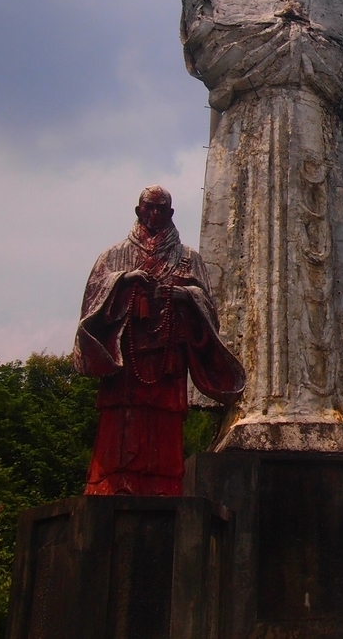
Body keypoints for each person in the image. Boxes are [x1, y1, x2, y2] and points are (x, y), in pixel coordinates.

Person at [180, 0, 343, 449]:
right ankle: (249, 407)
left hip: (325, 156)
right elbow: (218, 61)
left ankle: (331, 406)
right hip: (251, 153)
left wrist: (284, 53)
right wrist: (302, 53)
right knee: (249, 285)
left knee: (329, 288)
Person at [73, 186, 245, 495]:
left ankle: (163, 485)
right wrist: (125, 280)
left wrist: (186, 295)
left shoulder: (188, 257)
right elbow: (93, 299)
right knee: (120, 420)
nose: (154, 214)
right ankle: (111, 483)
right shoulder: (114, 255)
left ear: (170, 214)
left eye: (161, 209)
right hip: (127, 358)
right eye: (148, 208)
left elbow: (209, 308)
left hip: (168, 357)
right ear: (138, 211)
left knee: (163, 425)